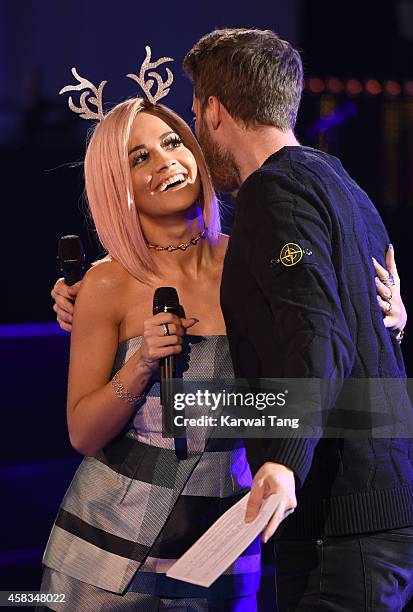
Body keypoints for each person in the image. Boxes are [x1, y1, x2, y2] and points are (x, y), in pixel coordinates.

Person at [180, 28, 412, 611]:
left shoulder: (273, 194)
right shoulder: (344, 186)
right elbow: (358, 327)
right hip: (360, 512)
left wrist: (282, 461)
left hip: (343, 517)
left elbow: (320, 334)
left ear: (213, 111)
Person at [40, 95, 261, 611]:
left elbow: (327, 280)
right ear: (118, 188)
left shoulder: (254, 258)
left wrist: (395, 313)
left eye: (171, 142)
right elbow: (82, 432)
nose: (165, 162)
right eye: (138, 158)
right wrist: (141, 366)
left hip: (222, 544)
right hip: (107, 557)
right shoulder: (105, 285)